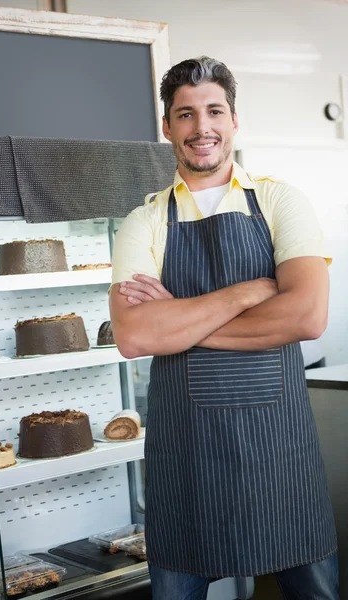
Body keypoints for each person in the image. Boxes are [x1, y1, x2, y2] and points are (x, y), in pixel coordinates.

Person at [109, 57, 338, 600]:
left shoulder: (282, 202)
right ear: (167, 127)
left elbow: (306, 316)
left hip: (280, 457)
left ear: (234, 120)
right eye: (185, 115)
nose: (201, 127)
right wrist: (247, 293)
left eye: (214, 111)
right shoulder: (143, 221)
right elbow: (135, 336)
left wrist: (181, 320)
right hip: (187, 461)